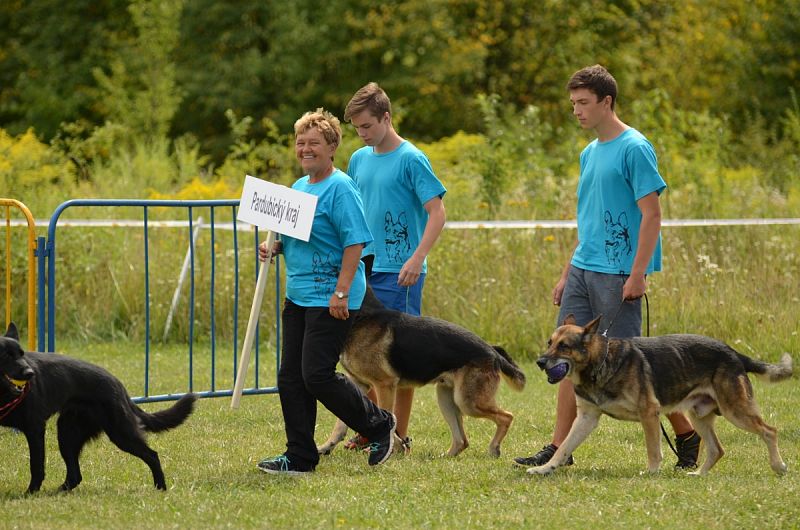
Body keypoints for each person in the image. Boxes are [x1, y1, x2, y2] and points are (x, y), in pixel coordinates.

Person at [513, 65, 701, 470]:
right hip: (583, 267)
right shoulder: (588, 152)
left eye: (583, 103)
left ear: (606, 102)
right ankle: (558, 450)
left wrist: (638, 272)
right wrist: (567, 272)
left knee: (637, 371)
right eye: (573, 104)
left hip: (619, 275)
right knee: (566, 360)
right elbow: (590, 221)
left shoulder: (635, 147)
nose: (576, 111)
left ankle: (687, 436)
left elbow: (651, 215)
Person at [255, 109, 397, 475]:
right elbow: (305, 238)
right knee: (291, 378)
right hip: (298, 295)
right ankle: (300, 456)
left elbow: (355, 242)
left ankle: (379, 425)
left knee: (316, 374)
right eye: (300, 142)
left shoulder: (341, 187)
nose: (305, 149)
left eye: (313, 143)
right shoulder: (299, 189)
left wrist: (341, 291)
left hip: (332, 297)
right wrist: (277, 248)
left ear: (332, 147)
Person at [340, 82, 447, 452]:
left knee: (395, 358)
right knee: (364, 356)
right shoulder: (358, 159)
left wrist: (417, 258)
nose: (363, 134)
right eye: (357, 129)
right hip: (363, 267)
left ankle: (397, 434)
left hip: (400, 271)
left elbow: (437, 213)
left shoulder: (412, 159)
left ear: (386, 118)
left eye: (367, 126)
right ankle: (371, 427)